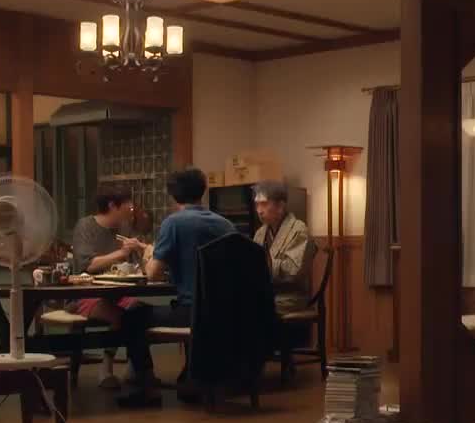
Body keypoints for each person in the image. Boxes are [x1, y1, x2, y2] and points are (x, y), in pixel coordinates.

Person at [117, 168, 236, 408]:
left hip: (191, 311)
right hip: (225, 312)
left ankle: (147, 387)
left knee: (132, 315)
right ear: (202, 191)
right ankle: (194, 379)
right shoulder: (225, 224)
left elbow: (153, 273)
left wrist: (149, 254)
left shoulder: (173, 223)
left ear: (172, 195)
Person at [69, 189, 146, 388]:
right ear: (112, 206)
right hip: (86, 293)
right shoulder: (86, 226)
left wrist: (140, 250)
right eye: (128, 206)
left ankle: (136, 367)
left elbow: (136, 266)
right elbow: (88, 265)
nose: (131, 210)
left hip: (118, 292)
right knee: (120, 315)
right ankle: (106, 367)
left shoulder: (124, 228)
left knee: (139, 310)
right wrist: (121, 253)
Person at [251, 180, 315, 315]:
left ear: (280, 206)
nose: (259, 211)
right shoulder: (260, 233)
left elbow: (294, 271)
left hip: (291, 296)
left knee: (253, 308)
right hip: (267, 292)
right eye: (257, 204)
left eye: (264, 204)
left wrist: (264, 264)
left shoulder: (298, 230)